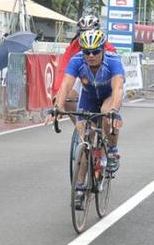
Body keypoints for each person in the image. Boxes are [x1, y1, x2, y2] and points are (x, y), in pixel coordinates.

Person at [53, 29, 125, 209]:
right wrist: (58, 106)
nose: (91, 56)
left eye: (95, 51)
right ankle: (79, 188)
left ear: (103, 50)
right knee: (85, 142)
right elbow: (66, 84)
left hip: (108, 97)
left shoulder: (113, 61)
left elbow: (117, 88)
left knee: (106, 113)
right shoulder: (77, 60)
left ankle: (112, 150)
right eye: (87, 51)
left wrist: (114, 110)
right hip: (89, 98)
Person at [51, 15, 117, 103]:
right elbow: (64, 70)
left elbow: (115, 73)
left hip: (104, 79)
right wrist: (58, 93)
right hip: (83, 77)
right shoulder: (73, 47)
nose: (87, 35)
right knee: (66, 97)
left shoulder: (108, 48)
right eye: (83, 32)